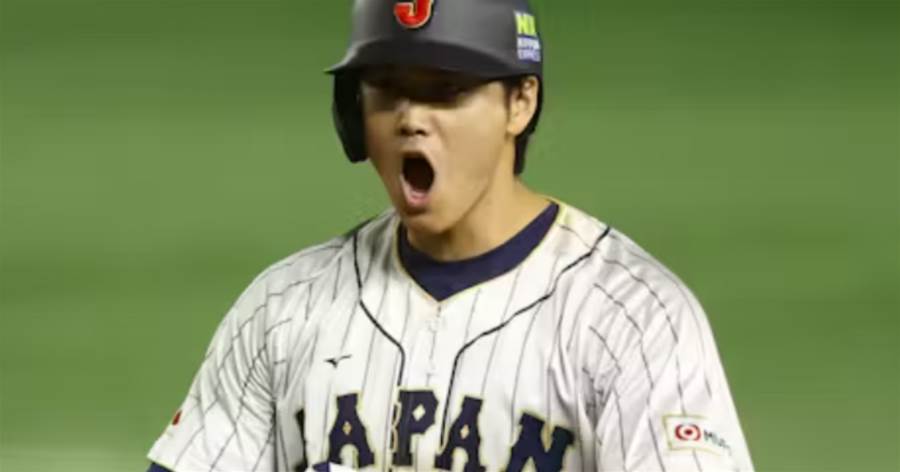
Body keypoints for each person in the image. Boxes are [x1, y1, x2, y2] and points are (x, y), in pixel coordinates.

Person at [146, 0, 754, 470]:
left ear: (520, 103)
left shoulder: (632, 321)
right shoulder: (282, 310)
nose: (411, 118)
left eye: (445, 91)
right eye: (388, 91)